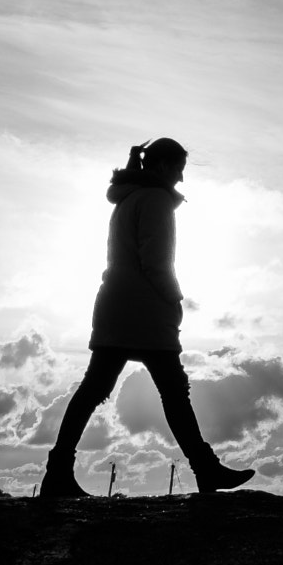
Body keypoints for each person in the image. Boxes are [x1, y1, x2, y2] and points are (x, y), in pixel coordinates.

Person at [40, 138, 256, 500]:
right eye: (177, 169)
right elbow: (156, 260)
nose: (181, 178)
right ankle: (206, 469)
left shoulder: (127, 198)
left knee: (95, 389)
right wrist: (174, 298)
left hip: (117, 307)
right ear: (160, 167)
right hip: (144, 310)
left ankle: (57, 472)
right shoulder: (155, 200)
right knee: (173, 392)